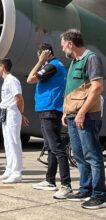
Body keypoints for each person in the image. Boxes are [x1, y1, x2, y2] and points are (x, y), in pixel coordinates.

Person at [60, 29, 106, 209]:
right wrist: (66, 111)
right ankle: (85, 188)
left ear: (70, 44)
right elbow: (71, 89)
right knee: (79, 154)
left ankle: (99, 194)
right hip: (72, 115)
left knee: (92, 155)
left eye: (63, 45)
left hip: (86, 116)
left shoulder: (91, 58)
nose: (63, 48)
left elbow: (97, 88)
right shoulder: (74, 62)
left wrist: (81, 112)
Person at [27, 43, 72, 199]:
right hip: (47, 109)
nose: (38, 58)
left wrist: (40, 61)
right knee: (51, 147)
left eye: (40, 55)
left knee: (57, 148)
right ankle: (50, 180)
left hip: (50, 109)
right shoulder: (53, 66)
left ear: (45, 53)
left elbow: (30, 79)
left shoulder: (52, 66)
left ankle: (66, 185)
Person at [0, 58, 27, 184]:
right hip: (6, 113)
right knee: (8, 143)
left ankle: (17, 173)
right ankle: (9, 169)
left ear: (3, 67)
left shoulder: (12, 80)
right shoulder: (6, 81)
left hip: (12, 113)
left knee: (14, 143)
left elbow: (19, 98)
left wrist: (20, 114)